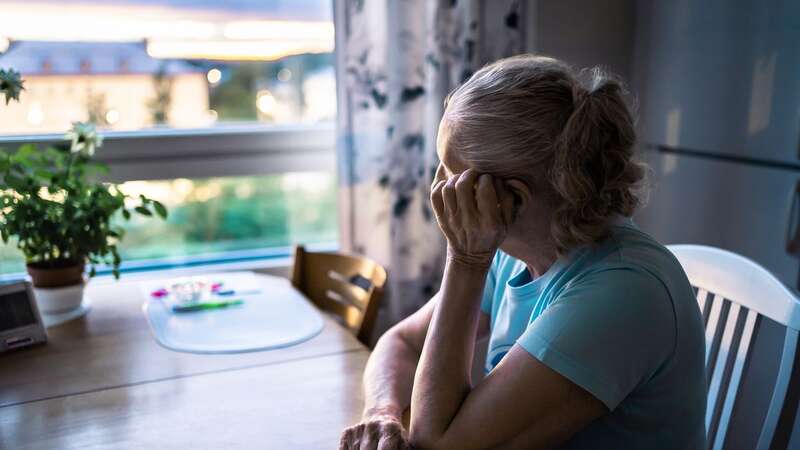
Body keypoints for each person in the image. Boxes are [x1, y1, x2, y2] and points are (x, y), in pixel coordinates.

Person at [338, 54, 706, 450]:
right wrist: (381, 412)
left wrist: (464, 260)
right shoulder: (513, 254)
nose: (436, 189)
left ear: (512, 196)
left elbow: (438, 443)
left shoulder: (621, 293)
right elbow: (401, 342)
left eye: (448, 173)